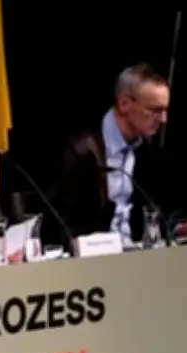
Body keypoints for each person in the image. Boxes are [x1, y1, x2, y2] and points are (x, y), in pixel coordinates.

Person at [53, 63, 173, 247]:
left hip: (138, 252)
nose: (163, 119)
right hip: (95, 257)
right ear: (124, 103)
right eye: (154, 110)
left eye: (165, 110)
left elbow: (156, 213)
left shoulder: (146, 150)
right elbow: (62, 226)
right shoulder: (82, 150)